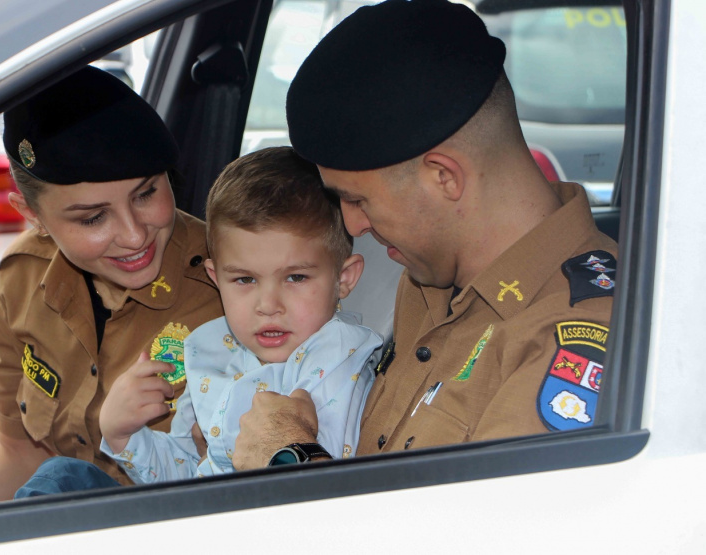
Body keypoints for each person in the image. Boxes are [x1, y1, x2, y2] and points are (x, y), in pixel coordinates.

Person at [232, 0, 618, 470]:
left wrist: (289, 458)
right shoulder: (426, 281)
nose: (353, 225)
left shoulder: (579, 343)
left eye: (358, 200)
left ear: (443, 177)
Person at [0, 66, 223, 506]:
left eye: (147, 193)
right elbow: (16, 449)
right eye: (93, 218)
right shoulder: (21, 277)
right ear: (31, 214)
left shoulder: (231, 282)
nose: (134, 235)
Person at [98, 146, 383, 482]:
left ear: (343, 279)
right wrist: (123, 436)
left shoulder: (340, 359)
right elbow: (186, 472)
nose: (267, 305)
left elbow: (322, 487)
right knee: (62, 476)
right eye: (245, 279)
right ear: (216, 278)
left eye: (296, 278)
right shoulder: (210, 349)